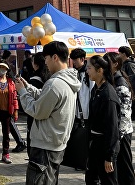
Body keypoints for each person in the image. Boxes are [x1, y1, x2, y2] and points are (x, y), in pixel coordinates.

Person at [15, 41, 81, 185]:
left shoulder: (55, 83)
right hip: (56, 144)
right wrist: (28, 87)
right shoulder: (68, 80)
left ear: (55, 57)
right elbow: (46, 98)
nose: (45, 63)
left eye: (46, 58)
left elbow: (37, 111)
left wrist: (22, 92)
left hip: (45, 145)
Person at [86, 55, 120, 185]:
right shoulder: (97, 89)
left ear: (100, 70)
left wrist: (109, 156)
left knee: (108, 181)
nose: (87, 71)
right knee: (91, 178)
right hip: (95, 144)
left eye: (89, 68)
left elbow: (112, 128)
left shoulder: (108, 95)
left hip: (105, 145)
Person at [104, 52, 135, 185]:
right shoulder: (111, 79)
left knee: (125, 165)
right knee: (119, 167)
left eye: (107, 62)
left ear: (116, 64)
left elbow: (125, 112)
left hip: (122, 132)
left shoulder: (120, 82)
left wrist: (118, 135)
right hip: (116, 131)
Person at [25, 52, 49, 155]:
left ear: (36, 64)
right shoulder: (49, 77)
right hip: (45, 112)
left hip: (34, 111)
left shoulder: (34, 80)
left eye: (32, 61)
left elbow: (30, 97)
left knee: (32, 135)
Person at [70, 48, 94, 123]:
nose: (73, 62)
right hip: (76, 112)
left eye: (75, 60)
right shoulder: (74, 72)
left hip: (87, 112)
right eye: (72, 60)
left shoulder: (89, 72)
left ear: (82, 59)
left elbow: (92, 91)